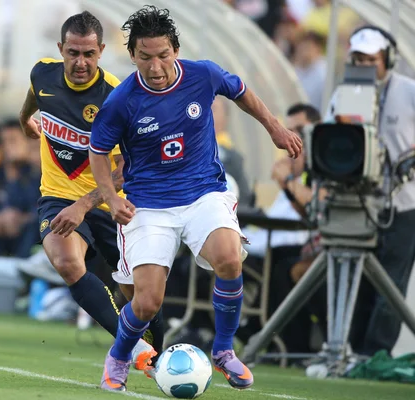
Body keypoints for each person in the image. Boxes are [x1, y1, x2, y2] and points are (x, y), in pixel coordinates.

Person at [89, 6, 302, 391]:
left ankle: (223, 351)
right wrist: (110, 197)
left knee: (229, 255)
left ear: (175, 49)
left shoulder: (202, 74)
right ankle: (119, 355)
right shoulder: (122, 101)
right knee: (148, 302)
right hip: (148, 205)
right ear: (132, 55)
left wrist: (275, 128)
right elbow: (98, 152)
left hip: (203, 192)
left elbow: (241, 93)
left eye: (163, 55)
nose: (155, 66)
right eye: (145, 57)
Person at [18, 11, 161, 370]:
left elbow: (126, 168)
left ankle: (163, 348)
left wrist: (85, 204)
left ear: (100, 51)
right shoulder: (43, 73)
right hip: (57, 196)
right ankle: (132, 349)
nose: (80, 62)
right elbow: (36, 96)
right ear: (60, 49)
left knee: (141, 297)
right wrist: (25, 121)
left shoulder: (116, 96)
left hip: (111, 204)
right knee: (66, 262)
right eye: (72, 53)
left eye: (88, 54)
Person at [325, 26, 415, 357]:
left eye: (370, 59)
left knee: (391, 283)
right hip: (357, 202)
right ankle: (355, 348)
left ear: (387, 59)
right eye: (358, 59)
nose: (363, 65)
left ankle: (375, 353)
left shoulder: (408, 90)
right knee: (357, 281)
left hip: (404, 203)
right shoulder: (343, 94)